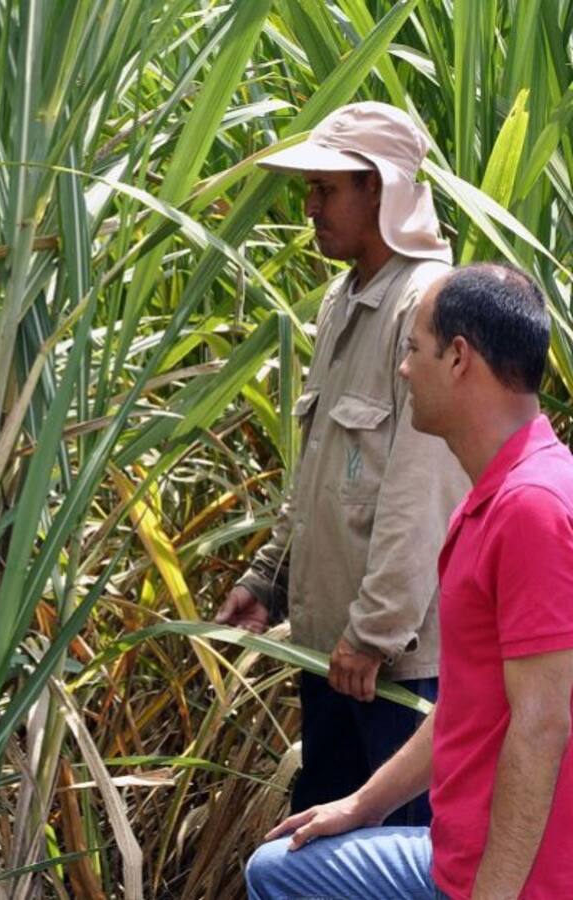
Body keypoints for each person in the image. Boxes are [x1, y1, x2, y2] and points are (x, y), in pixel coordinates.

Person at [246, 263, 573, 900]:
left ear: (459, 359)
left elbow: (542, 726)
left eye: (413, 350)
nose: (402, 369)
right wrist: (361, 805)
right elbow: (469, 704)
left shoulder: (533, 507)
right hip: (455, 856)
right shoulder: (493, 498)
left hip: (510, 882)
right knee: (279, 870)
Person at [215, 102, 468, 825]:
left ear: (379, 188)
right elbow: (322, 467)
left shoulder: (428, 304)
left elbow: (423, 491)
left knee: (395, 854)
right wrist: (270, 579)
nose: (310, 208)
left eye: (326, 189)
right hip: (336, 653)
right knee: (322, 854)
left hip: (396, 668)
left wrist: (375, 633)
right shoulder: (343, 298)